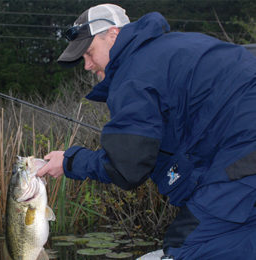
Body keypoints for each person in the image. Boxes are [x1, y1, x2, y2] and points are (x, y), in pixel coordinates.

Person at [36, 3, 256, 259]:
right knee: (242, 233)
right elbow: (176, 147)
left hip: (243, 149)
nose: (87, 65)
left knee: (189, 244)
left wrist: (70, 161)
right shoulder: (163, 52)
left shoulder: (133, 74)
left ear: (113, 36)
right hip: (236, 150)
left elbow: (127, 167)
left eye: (89, 52)